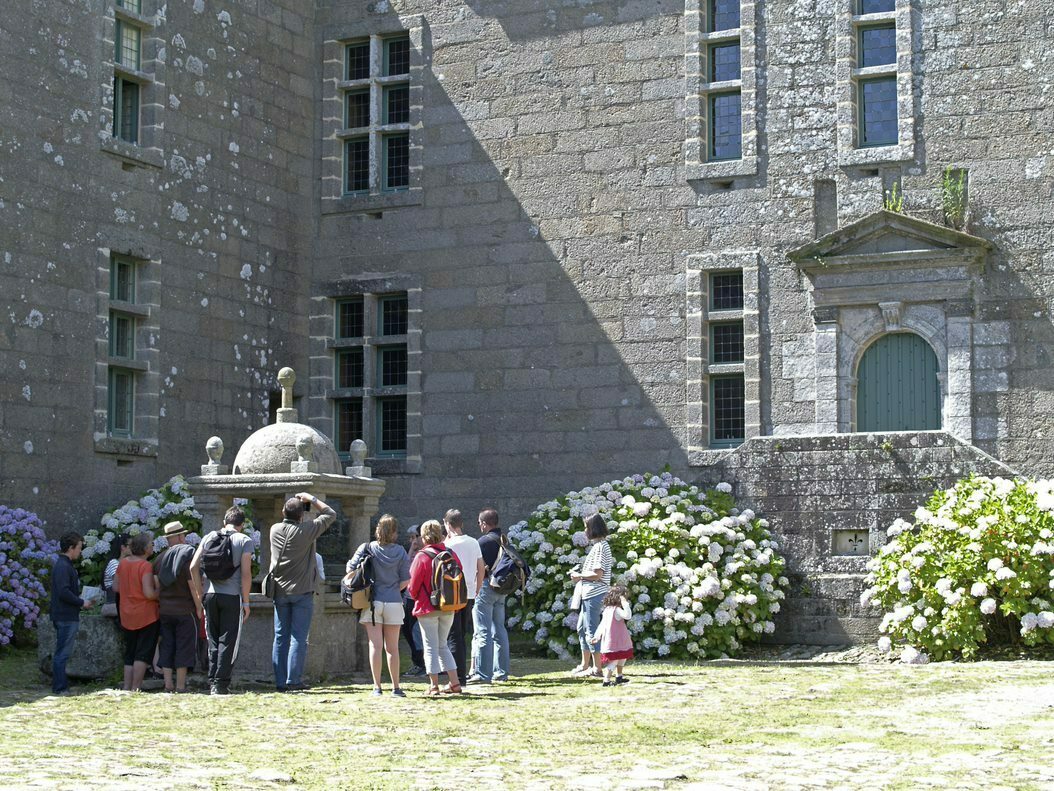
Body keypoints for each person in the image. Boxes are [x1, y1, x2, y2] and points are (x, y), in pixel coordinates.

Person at [268, 492, 336, 692]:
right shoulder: (307, 530)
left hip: (279, 590)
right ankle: (293, 680)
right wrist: (312, 500)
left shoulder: (274, 529)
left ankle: (280, 681)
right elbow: (330, 514)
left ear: (283, 512)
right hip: (302, 590)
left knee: (280, 636)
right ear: (302, 515)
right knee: (298, 637)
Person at [189, 505, 254, 695]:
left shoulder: (209, 537)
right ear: (241, 524)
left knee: (213, 640)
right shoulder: (244, 540)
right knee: (229, 641)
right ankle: (221, 684)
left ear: (225, 521)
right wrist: (247, 602)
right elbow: (246, 573)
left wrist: (200, 594)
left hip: (209, 595)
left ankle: (212, 682)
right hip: (232, 596)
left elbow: (193, 566)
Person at [346, 514, 411, 697]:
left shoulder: (367, 548)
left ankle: (377, 687)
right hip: (394, 602)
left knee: (375, 646)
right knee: (393, 648)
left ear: (377, 530)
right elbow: (406, 580)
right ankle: (396, 687)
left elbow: (350, 569)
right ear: (394, 532)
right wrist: (393, 589)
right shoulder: (400, 551)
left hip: (372, 602)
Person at [407, 519, 462, 696]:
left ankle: (434, 685)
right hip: (448, 605)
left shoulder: (422, 556)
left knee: (430, 646)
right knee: (442, 645)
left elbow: (413, 586)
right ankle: (455, 683)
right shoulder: (450, 553)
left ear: (423, 537)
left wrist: (416, 597)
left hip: (427, 607)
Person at [152, 522, 197, 693]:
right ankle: (180, 685)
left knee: (167, 645)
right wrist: (199, 607)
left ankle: (168, 684)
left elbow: (157, 587)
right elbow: (193, 586)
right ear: (180, 537)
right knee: (184, 646)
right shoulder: (187, 557)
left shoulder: (160, 559)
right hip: (185, 609)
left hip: (165, 610)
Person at [467, 508, 509, 685]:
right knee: (499, 629)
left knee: (482, 630)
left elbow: (478, 568)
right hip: (502, 589)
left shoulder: (482, 542)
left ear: (484, 523)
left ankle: (483, 674)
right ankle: (501, 672)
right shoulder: (504, 539)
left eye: (479, 522)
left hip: (486, 587)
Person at [49, 531, 94, 694]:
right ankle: (60, 688)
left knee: (62, 652)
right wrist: (82, 602)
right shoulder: (63, 566)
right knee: (62, 653)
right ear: (71, 548)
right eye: (79, 548)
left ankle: (60, 685)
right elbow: (63, 592)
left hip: (66, 614)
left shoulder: (64, 565)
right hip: (65, 615)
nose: (80, 551)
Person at [442, 509, 483, 687]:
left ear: (447, 524)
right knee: (461, 635)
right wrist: (477, 588)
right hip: (469, 593)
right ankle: (460, 675)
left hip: (452, 594)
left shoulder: (448, 544)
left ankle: (457, 677)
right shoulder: (473, 542)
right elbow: (481, 568)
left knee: (453, 635)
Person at [114, 532, 160, 691]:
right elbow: (149, 594)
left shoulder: (123, 563)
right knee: (143, 653)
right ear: (146, 548)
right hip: (145, 614)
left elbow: (115, 587)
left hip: (126, 613)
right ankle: (136, 687)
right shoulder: (145, 566)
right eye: (151, 544)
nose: (153, 546)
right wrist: (159, 591)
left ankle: (126, 687)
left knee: (130, 652)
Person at [570, 513, 613, 677]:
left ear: (593, 529)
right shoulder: (599, 546)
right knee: (582, 628)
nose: (585, 531)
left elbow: (598, 574)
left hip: (595, 594)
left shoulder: (601, 547)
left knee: (591, 630)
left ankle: (597, 668)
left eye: (586, 527)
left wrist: (579, 576)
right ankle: (585, 664)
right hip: (589, 594)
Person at [590, 584, 634, 686]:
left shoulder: (607, 609)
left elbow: (602, 624)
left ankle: (619, 677)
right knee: (614, 661)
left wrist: (597, 636)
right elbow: (628, 616)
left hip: (616, 639)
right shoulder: (617, 610)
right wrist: (625, 604)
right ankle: (606, 680)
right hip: (616, 640)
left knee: (622, 658)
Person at [400, 524, 426, 676]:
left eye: (415, 537)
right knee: (408, 630)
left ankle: (421, 664)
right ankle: (417, 662)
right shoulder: (414, 552)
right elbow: (405, 568)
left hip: (418, 597)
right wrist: (412, 548)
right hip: (409, 597)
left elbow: (410, 571)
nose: (413, 540)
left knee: (416, 632)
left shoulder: (424, 553)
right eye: (411, 538)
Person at [102, 532, 130, 606]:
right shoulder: (114, 563)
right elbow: (121, 583)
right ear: (123, 547)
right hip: (114, 603)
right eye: (131, 545)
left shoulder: (124, 563)